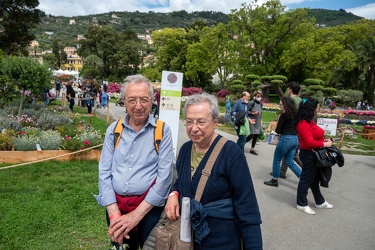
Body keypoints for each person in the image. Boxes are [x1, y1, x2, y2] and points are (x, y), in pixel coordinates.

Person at [165, 93, 262, 249]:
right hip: (187, 238)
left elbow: (247, 206)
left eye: (201, 122)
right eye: (189, 121)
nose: (194, 128)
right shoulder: (185, 149)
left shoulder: (231, 153)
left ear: (215, 122)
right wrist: (173, 194)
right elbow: (181, 182)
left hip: (222, 240)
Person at [94, 74, 174, 249]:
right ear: (123, 100)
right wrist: (114, 213)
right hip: (117, 207)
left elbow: (164, 178)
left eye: (144, 99)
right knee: (122, 247)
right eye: (132, 100)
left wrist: (136, 216)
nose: (138, 106)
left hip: (149, 210)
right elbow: (104, 173)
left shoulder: (162, 131)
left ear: (153, 100)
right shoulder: (113, 130)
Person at [295, 97, 334, 215]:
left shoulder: (309, 121)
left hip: (314, 153)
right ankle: (301, 203)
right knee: (306, 179)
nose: (318, 110)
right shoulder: (303, 123)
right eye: (317, 108)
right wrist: (325, 144)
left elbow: (314, 136)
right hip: (308, 154)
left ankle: (319, 201)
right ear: (310, 109)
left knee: (314, 179)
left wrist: (324, 140)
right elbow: (309, 142)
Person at [264, 97, 301, 187]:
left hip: (285, 139)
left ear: (285, 105)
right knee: (290, 161)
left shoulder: (284, 116)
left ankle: (274, 179)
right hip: (294, 139)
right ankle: (304, 178)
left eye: (281, 104)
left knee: (277, 159)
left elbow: (278, 130)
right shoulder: (296, 115)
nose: (279, 106)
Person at [276, 82, 303, 178]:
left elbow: (286, 118)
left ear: (290, 89)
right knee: (290, 155)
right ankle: (282, 171)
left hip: (289, 132)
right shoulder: (301, 101)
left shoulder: (290, 101)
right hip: (297, 131)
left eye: (288, 89)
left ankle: (307, 171)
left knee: (292, 156)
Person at [246, 90, 263, 155]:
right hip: (252, 120)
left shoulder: (261, 104)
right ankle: (242, 143)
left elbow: (261, 112)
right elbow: (247, 111)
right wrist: (253, 113)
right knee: (252, 134)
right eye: (258, 96)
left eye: (260, 96)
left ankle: (252, 149)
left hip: (258, 121)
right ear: (255, 96)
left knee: (256, 135)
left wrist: (261, 119)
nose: (259, 97)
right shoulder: (252, 103)